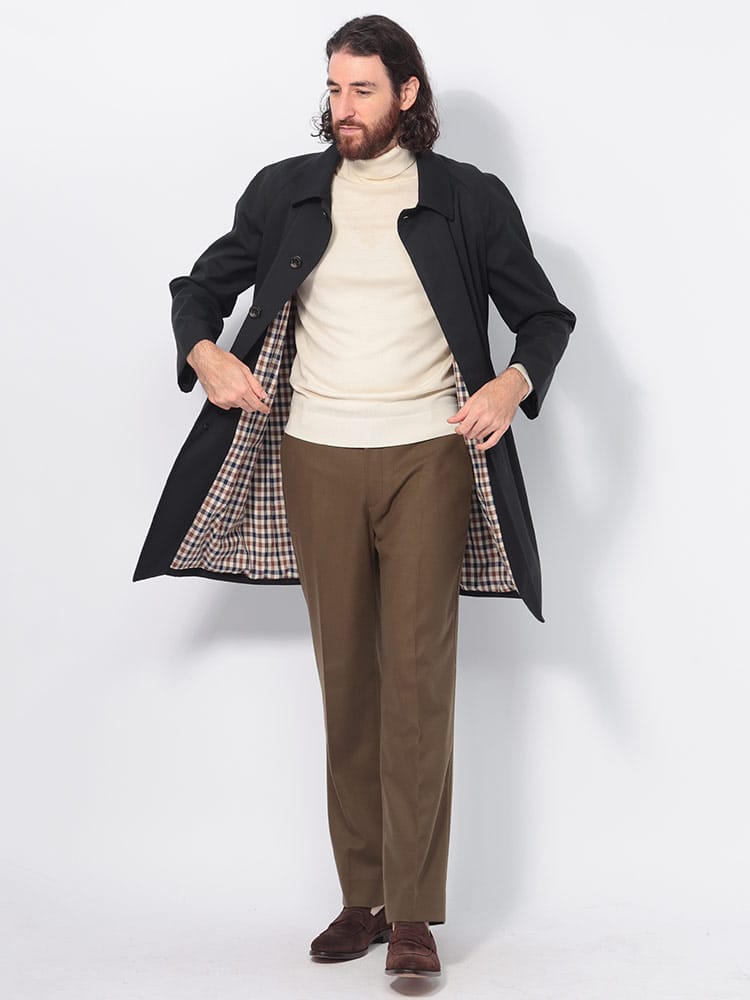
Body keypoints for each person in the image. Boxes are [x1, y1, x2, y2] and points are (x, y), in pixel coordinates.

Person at [133, 13, 575, 981]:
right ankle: (361, 897)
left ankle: (412, 912)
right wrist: (205, 354)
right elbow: (196, 288)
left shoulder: (467, 199)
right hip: (316, 456)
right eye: (334, 88)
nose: (343, 107)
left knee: (417, 678)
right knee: (347, 680)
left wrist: (511, 384)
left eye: (362, 90)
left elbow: (544, 317)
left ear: (408, 94)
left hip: (429, 456)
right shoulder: (286, 191)